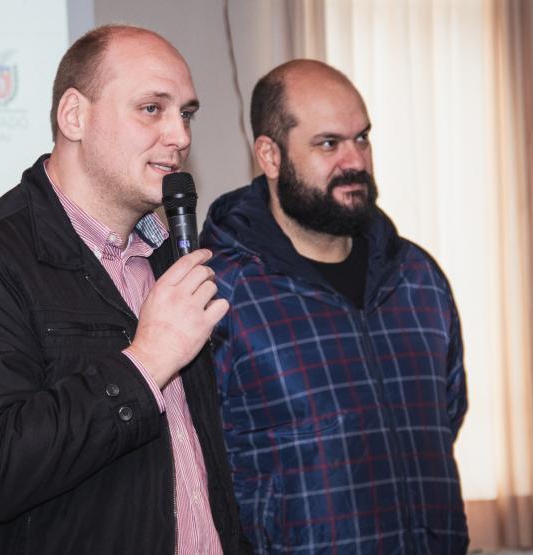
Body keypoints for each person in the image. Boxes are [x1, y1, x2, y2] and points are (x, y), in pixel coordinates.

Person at [0, 25, 247, 554]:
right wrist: (146, 361)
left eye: (187, 113)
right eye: (152, 108)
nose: (180, 135)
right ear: (74, 116)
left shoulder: (168, 258)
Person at [200, 59, 469, 554]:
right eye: (329, 144)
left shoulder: (418, 279)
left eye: (361, 139)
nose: (356, 161)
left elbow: (446, 414)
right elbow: (201, 464)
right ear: (270, 155)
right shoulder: (218, 294)